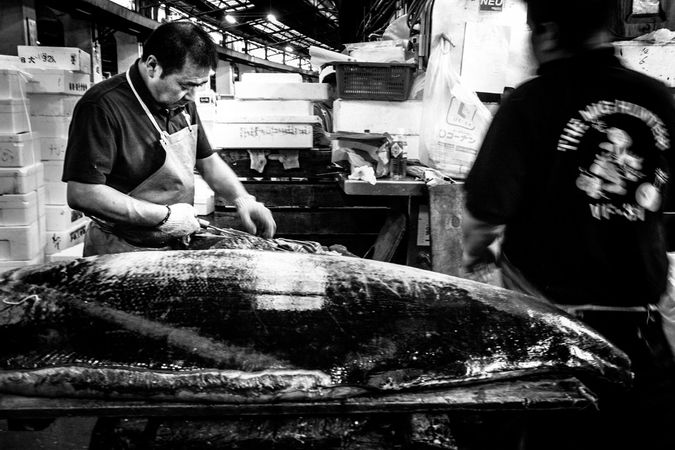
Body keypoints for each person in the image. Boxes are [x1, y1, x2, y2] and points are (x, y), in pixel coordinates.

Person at [461, 0, 675, 448]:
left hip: (554, 339)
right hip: (641, 336)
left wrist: (476, 253)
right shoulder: (660, 99)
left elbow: (484, 213)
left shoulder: (530, 101)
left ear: (549, 32)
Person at [63, 21, 276, 256]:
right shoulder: (102, 106)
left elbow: (208, 161)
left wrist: (243, 199)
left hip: (172, 244)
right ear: (153, 66)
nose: (193, 95)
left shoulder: (182, 103)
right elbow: (82, 192)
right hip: (120, 248)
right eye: (186, 85)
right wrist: (164, 216)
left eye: (200, 85)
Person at [312, 65, 337, 148]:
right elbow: (322, 140)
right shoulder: (315, 109)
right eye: (340, 88)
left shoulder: (338, 110)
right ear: (329, 88)